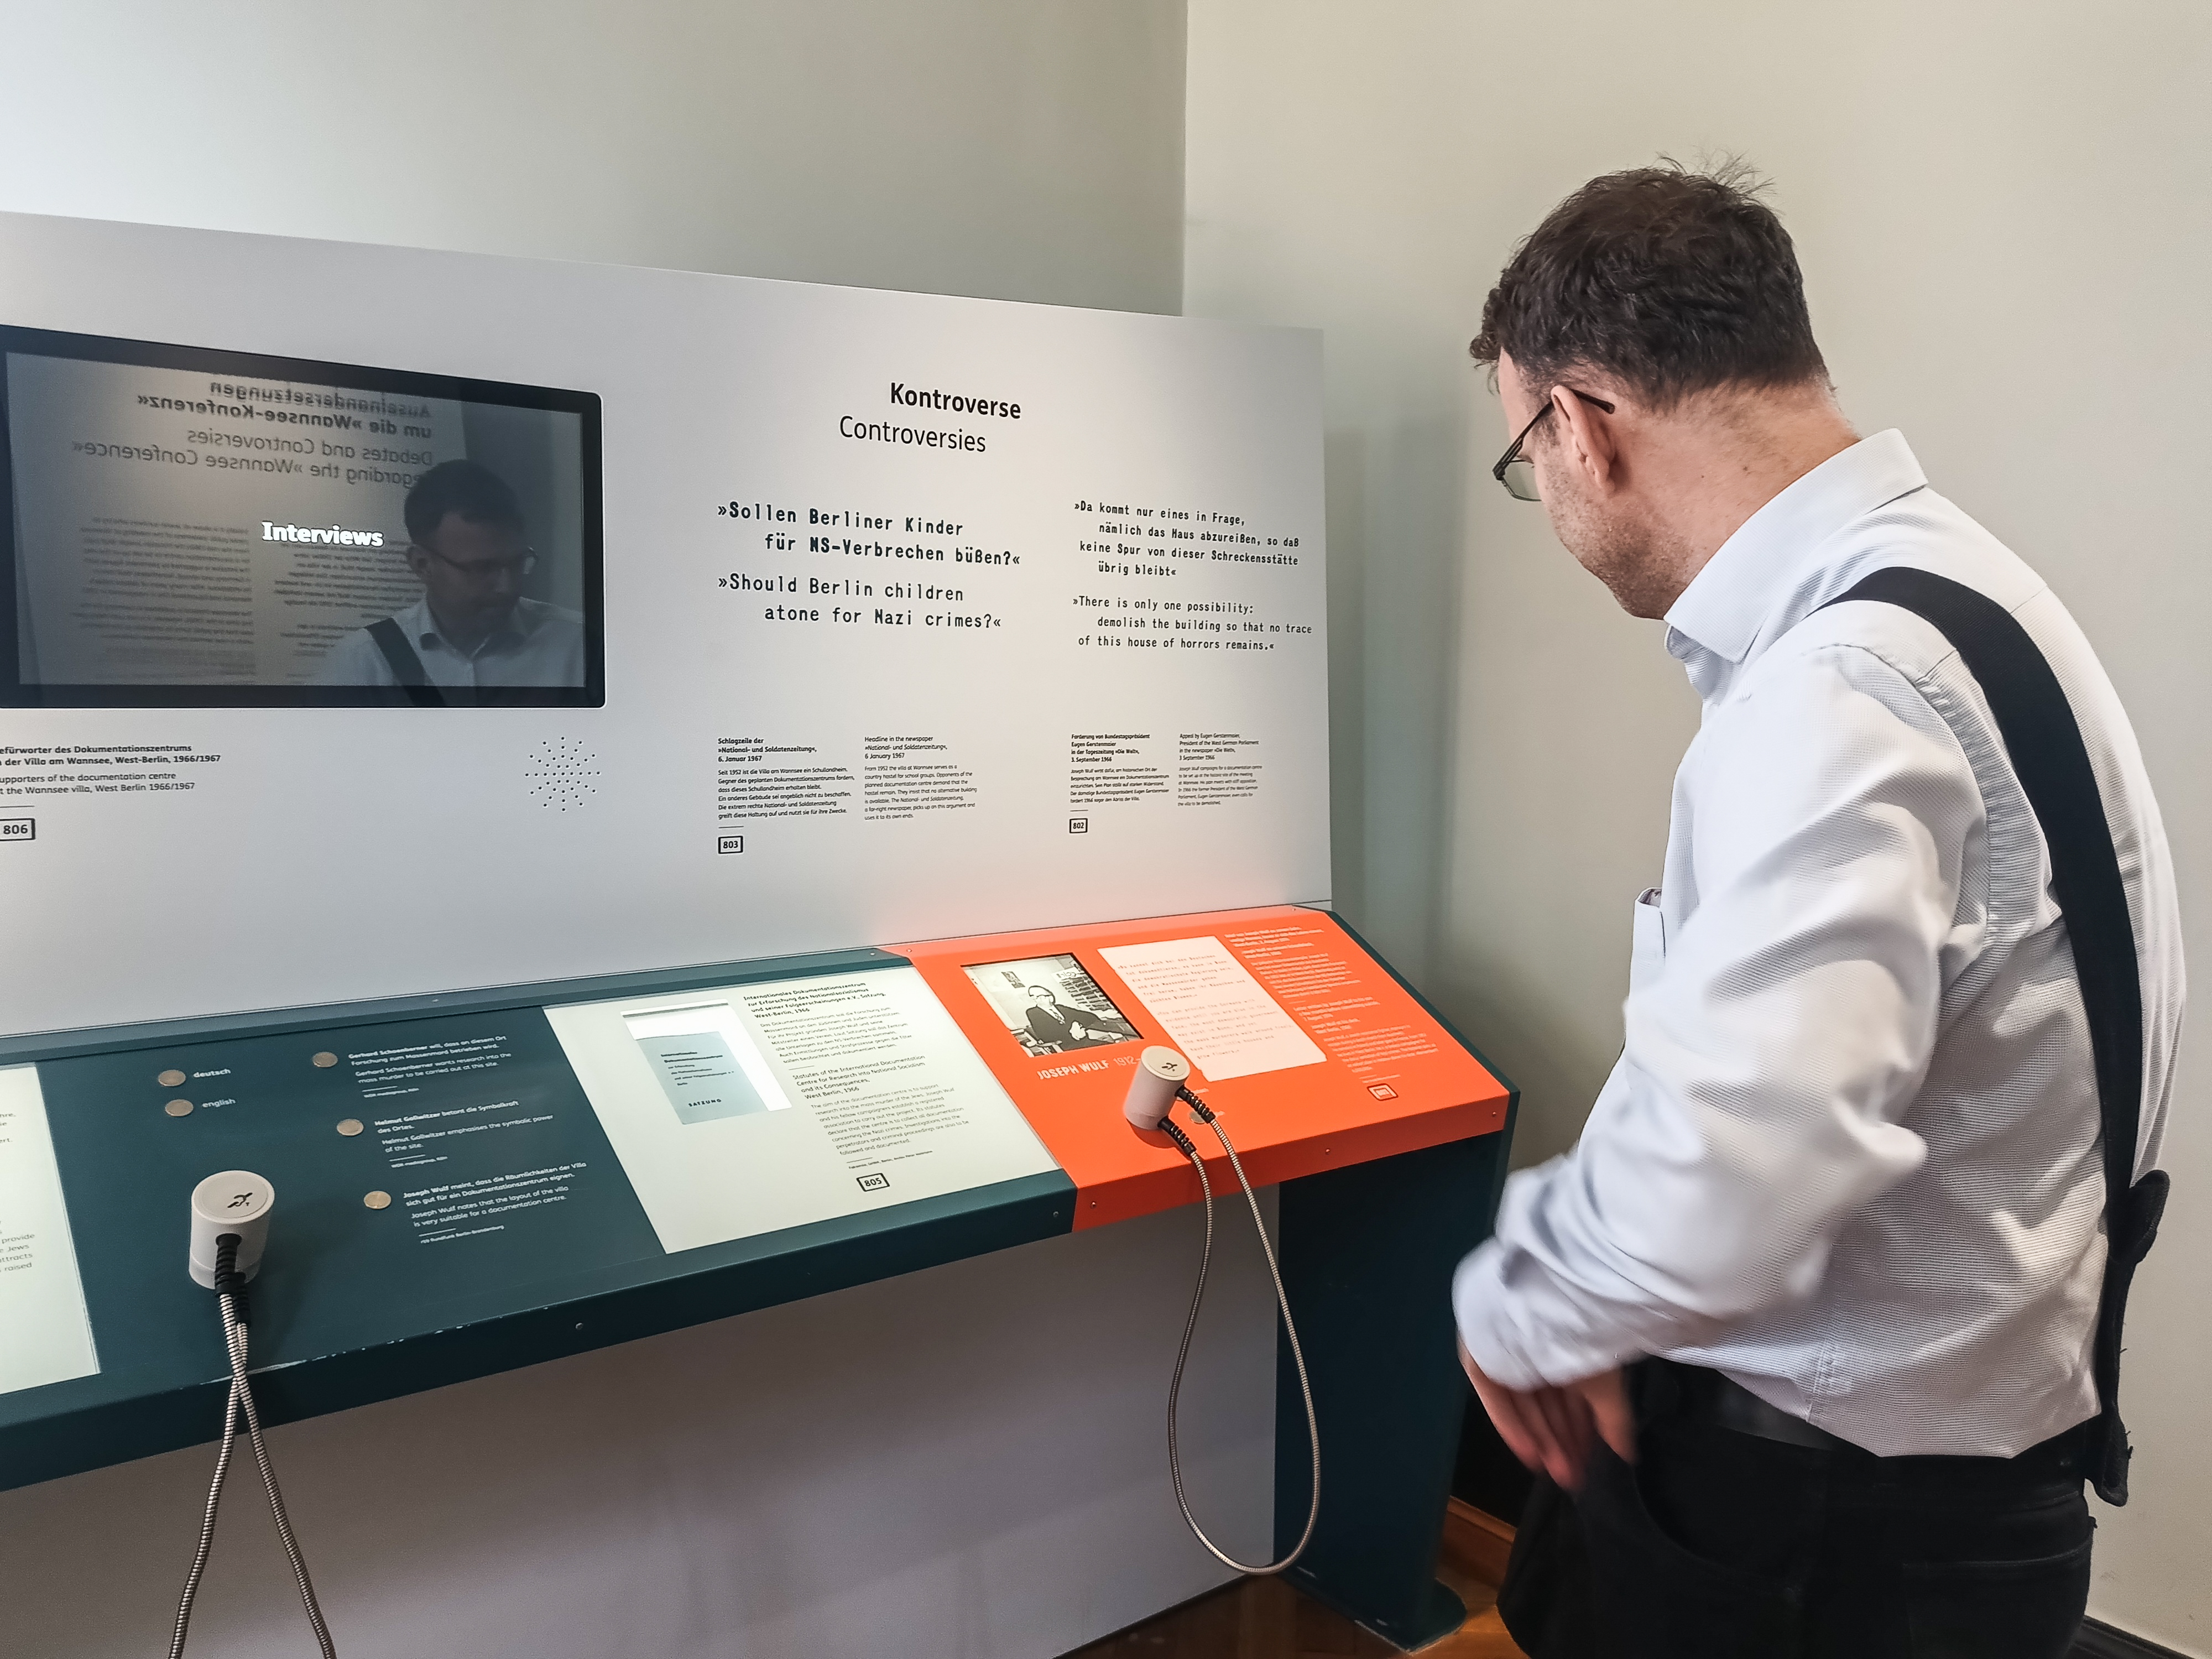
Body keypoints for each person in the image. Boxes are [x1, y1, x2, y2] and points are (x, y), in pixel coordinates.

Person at [1449, 162, 2181, 1659]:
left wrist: (1521, 1301)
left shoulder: (1839, 690)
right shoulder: (1971, 598)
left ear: (1582, 426)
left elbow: (1743, 1150)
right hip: (1958, 1477)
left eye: (1526, 458)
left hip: (1817, 1536)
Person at [315, 459, 583, 688]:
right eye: (482, 568)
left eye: (517, 563)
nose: (507, 586)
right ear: (422, 564)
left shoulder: (579, 646)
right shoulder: (362, 662)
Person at [1022, 985, 1124, 1050]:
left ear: (1051, 997)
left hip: (1083, 1041)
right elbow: (1047, 1035)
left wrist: (1075, 1024)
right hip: (1066, 1046)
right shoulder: (1033, 1012)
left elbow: (1088, 1017)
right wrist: (1071, 1029)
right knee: (1112, 1049)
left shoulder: (1060, 1007)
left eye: (1041, 996)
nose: (1037, 1000)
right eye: (1034, 997)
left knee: (1114, 1047)